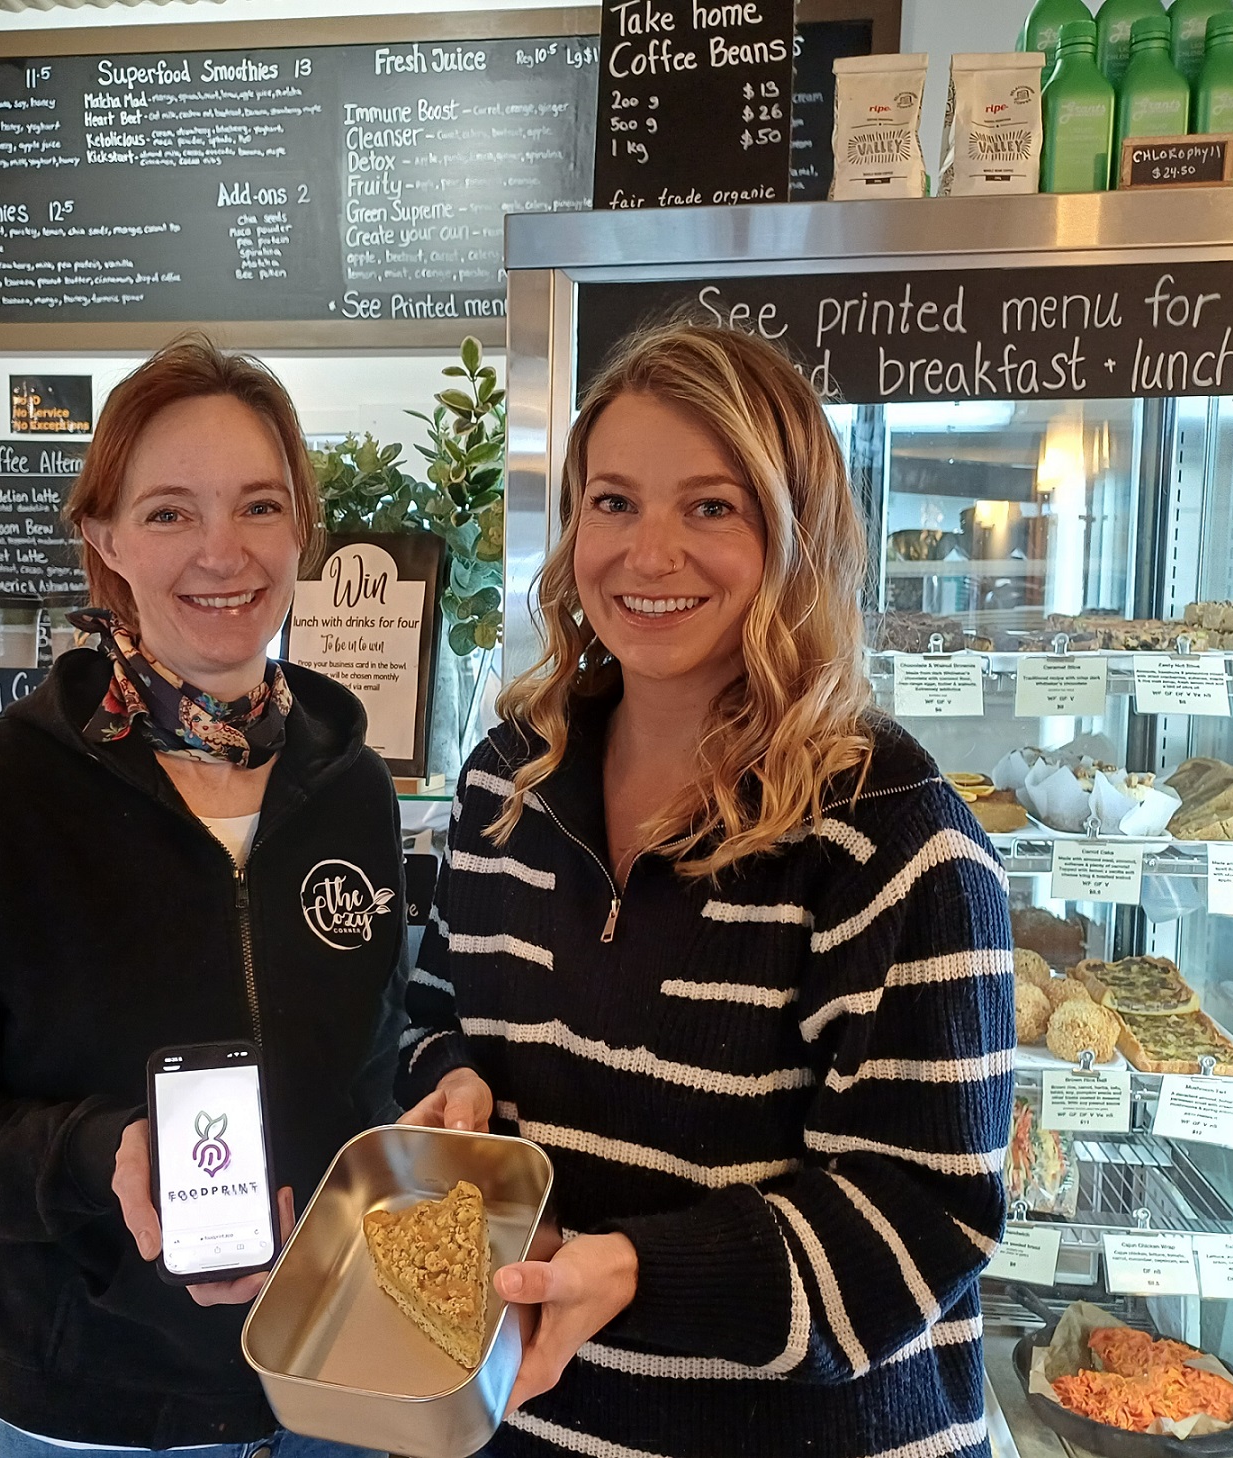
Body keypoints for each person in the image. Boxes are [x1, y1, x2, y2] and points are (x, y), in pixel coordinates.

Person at [399, 322, 1014, 1458]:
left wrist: (635, 1272)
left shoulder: (893, 841)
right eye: (614, 501)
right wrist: (449, 1079)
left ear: (798, 536)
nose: (648, 553)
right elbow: (432, 1009)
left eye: (712, 507)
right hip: (532, 1426)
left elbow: (924, 1219)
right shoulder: (505, 784)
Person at [0, 338, 405, 1458]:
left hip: (340, 1394)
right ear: (102, 537)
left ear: (303, 527)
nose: (221, 552)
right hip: (93, 1421)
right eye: (166, 513)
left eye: (258, 505)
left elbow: (367, 1073)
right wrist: (102, 1157)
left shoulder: (350, 784)